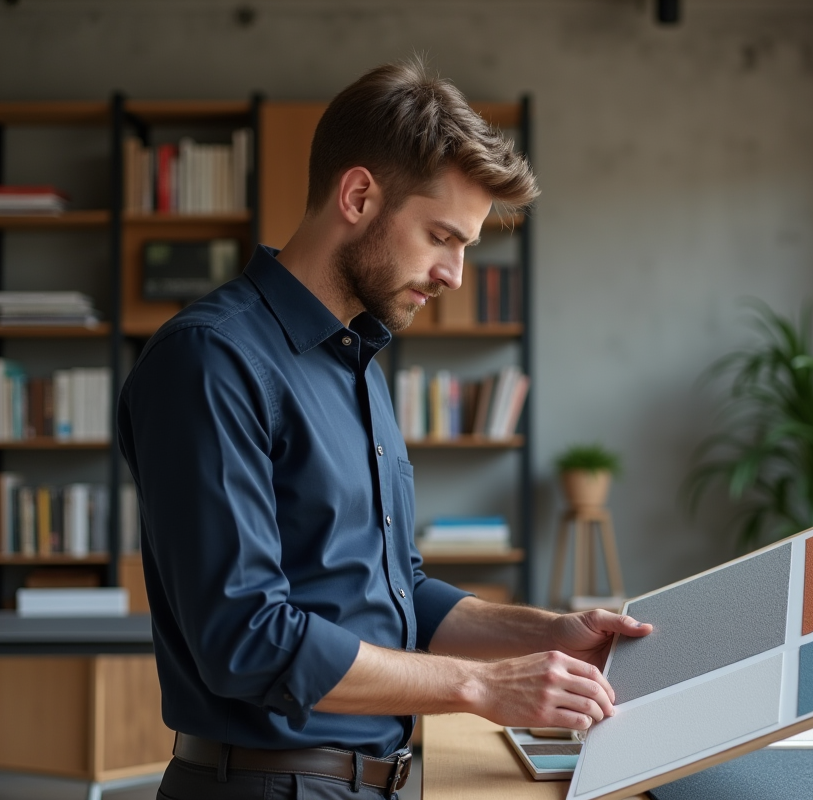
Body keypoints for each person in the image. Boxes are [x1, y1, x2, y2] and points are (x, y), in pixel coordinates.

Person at [118, 61, 652, 800]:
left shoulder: (359, 365)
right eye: (442, 236)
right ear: (360, 195)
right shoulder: (210, 360)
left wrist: (547, 633)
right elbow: (245, 639)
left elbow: (397, 591)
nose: (455, 274)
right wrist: (480, 685)